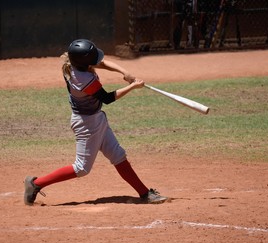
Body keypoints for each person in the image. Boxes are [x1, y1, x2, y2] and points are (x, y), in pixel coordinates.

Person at [24, 39, 168, 205]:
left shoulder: (73, 64)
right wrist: (133, 87)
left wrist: (124, 72)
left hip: (96, 118)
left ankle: (145, 194)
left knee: (118, 155)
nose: (96, 62)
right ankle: (36, 184)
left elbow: (103, 63)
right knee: (81, 168)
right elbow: (107, 98)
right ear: (84, 63)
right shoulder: (82, 79)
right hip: (86, 124)